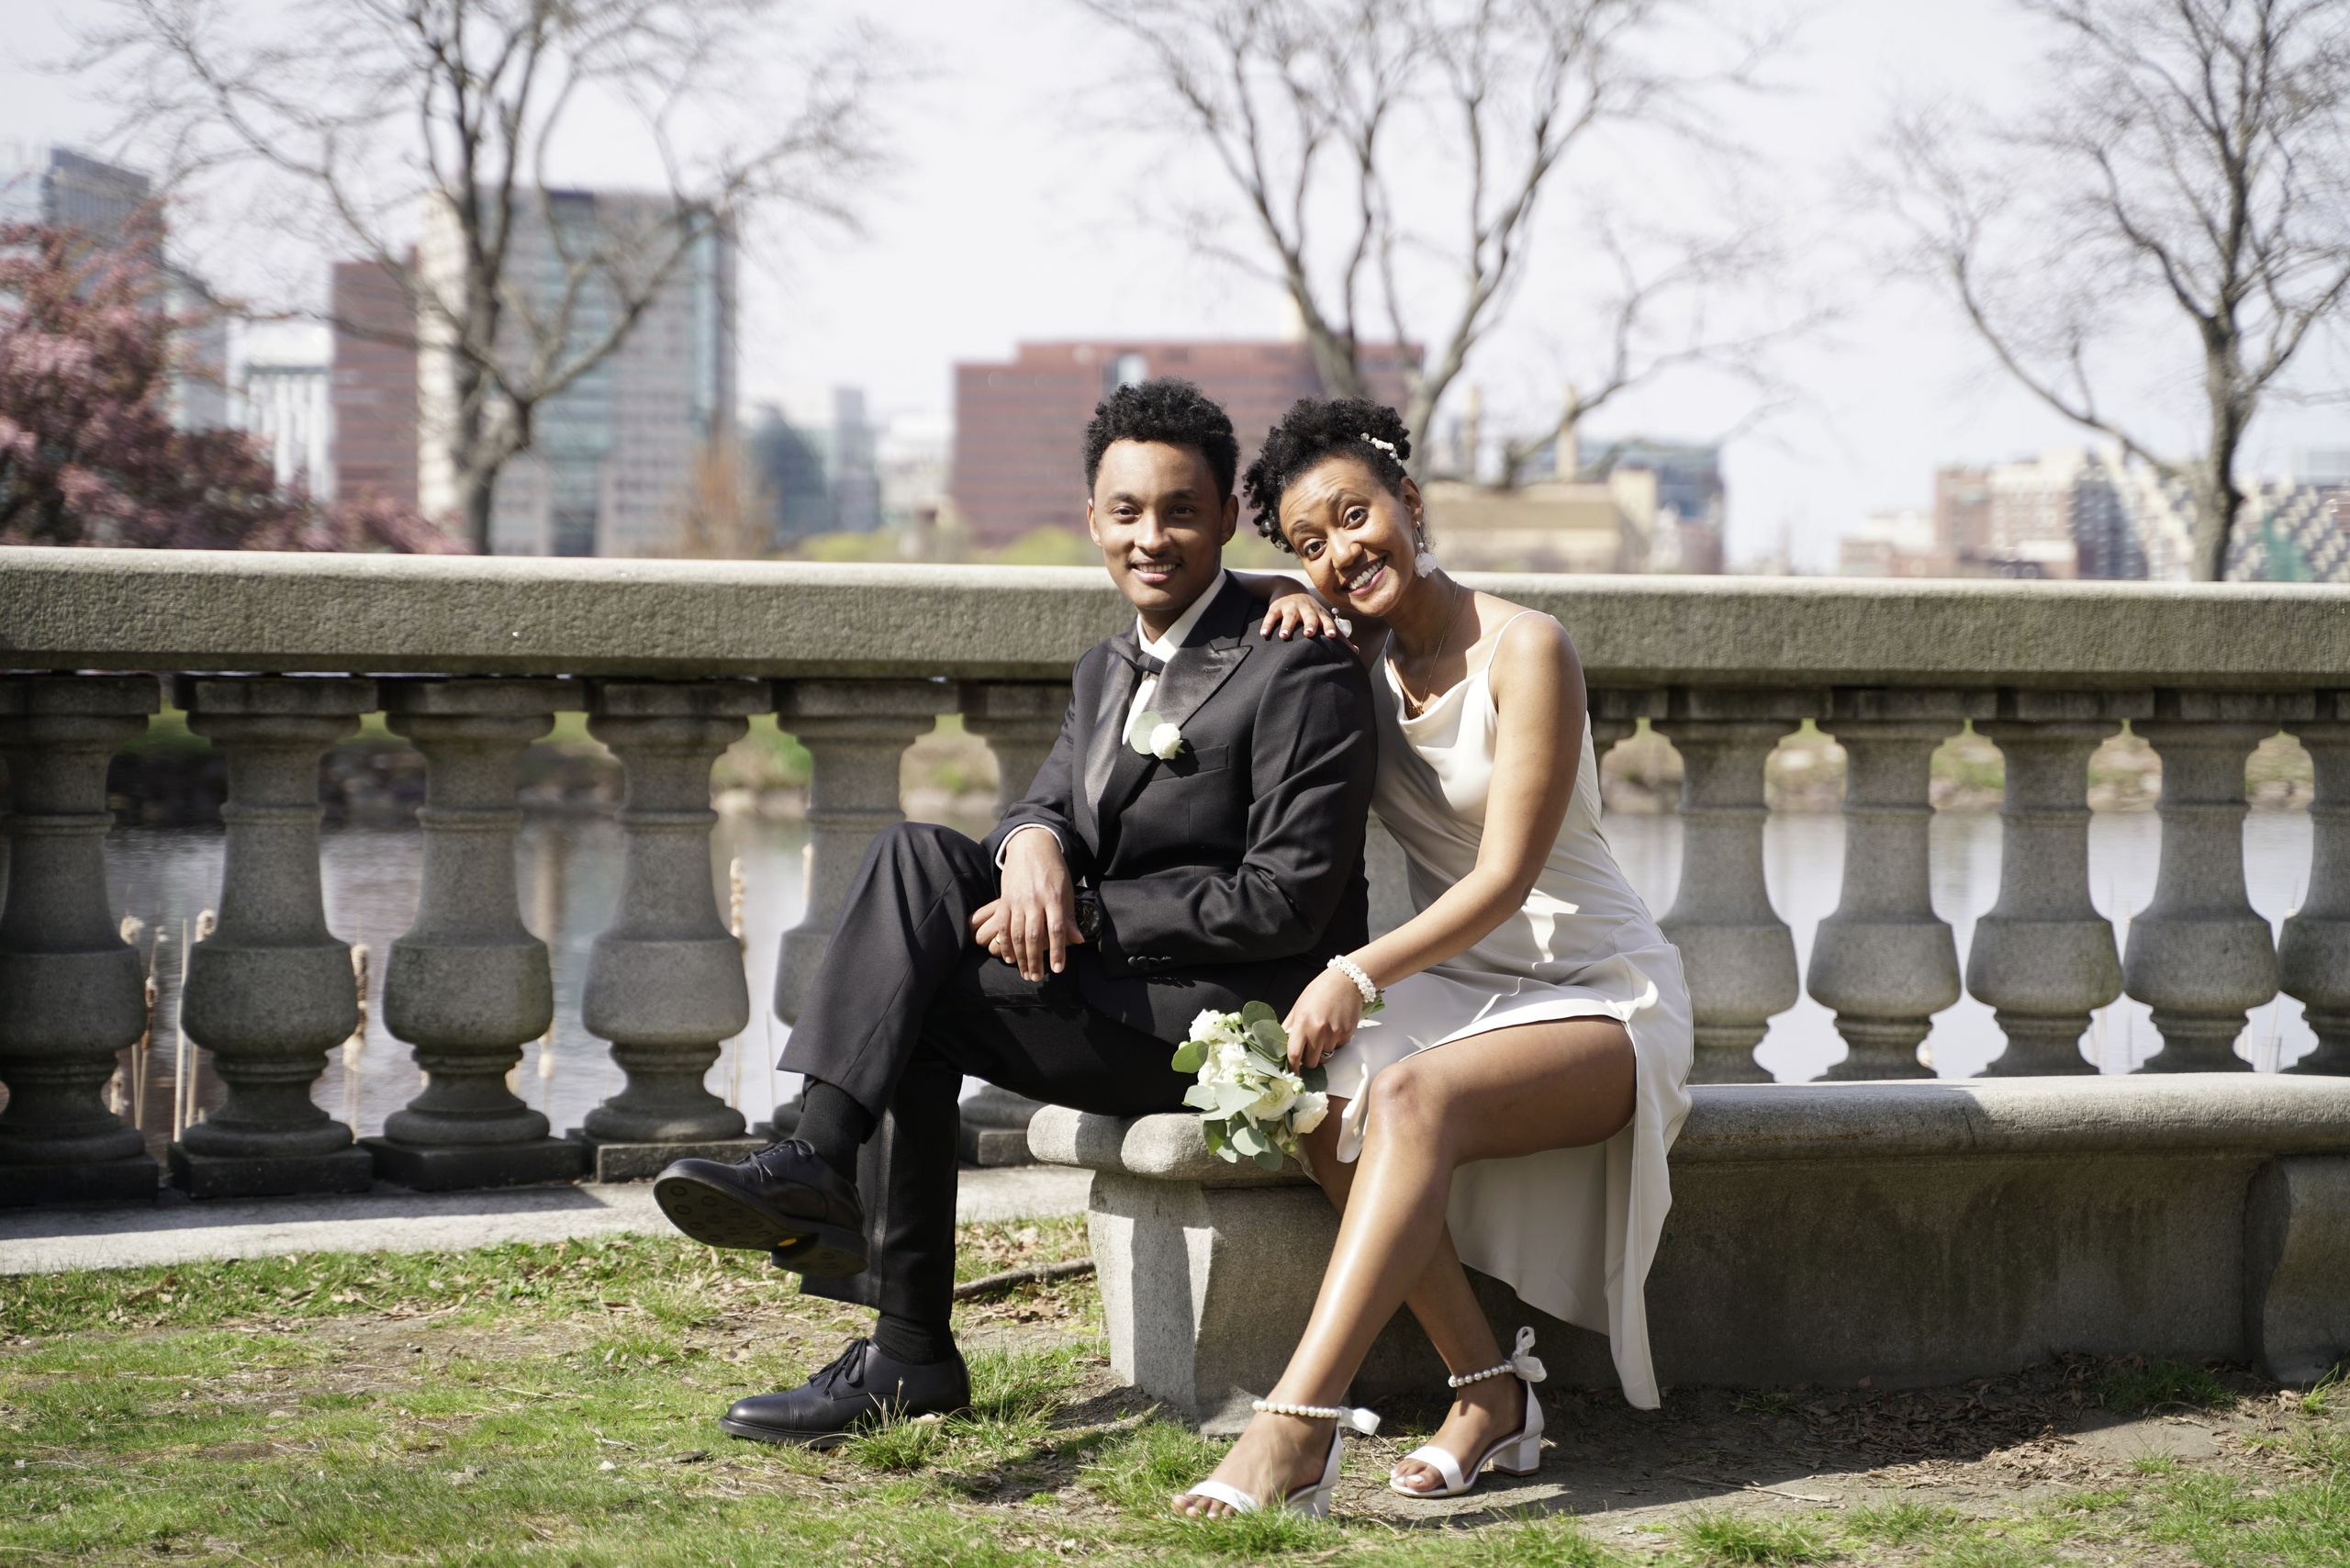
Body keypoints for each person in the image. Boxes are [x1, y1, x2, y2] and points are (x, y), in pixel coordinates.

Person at [649, 377, 1379, 1446]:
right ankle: (828, 1190)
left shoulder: (1298, 660)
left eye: (1181, 510)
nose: (1151, 536)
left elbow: (1286, 899)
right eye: (1126, 512)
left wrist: (1079, 907)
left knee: (913, 987)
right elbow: (1047, 799)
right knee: (913, 861)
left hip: (1224, 1026)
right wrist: (1032, 843)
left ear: (1227, 517)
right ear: (1092, 520)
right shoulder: (1107, 665)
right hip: (1118, 993)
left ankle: (889, 1315)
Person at [1170, 398, 1695, 1517]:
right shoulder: (1343, 664)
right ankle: (1487, 1391)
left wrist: (1355, 973)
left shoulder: (1527, 646)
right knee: (1300, 1088)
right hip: (1468, 990)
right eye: (1309, 544)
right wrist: (1277, 600)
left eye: (1354, 518)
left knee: (1401, 1092)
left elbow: (1505, 876)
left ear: (1410, 503)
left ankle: (1293, 1425)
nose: (1340, 553)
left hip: (1604, 994)